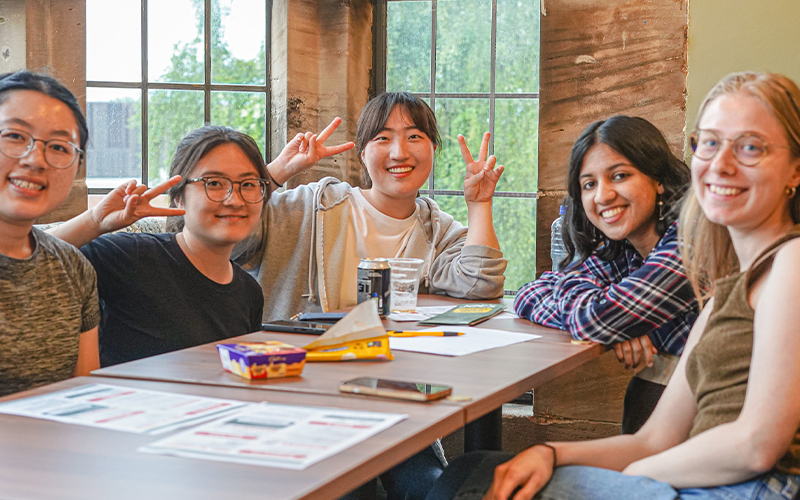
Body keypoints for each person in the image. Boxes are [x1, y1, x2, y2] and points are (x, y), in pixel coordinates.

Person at [427, 71, 800, 500]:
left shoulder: (789, 260)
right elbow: (652, 438)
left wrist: (636, 477)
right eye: (710, 144)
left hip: (754, 488)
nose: (721, 164)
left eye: (750, 147)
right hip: (706, 469)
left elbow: (756, 447)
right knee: (474, 468)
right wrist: (549, 452)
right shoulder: (727, 287)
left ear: (795, 169)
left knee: (469, 482)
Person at [50, 121, 353, 367]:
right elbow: (24, 258)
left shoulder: (248, 292)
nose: (233, 199)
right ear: (179, 196)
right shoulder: (133, 256)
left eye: (248, 185)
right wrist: (95, 221)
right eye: (213, 183)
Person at [236, 91, 507, 322]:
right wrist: (274, 174)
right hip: (295, 371)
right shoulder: (308, 207)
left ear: (433, 150)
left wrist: (479, 203)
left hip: (391, 374)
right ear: (363, 155)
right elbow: (228, 242)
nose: (399, 153)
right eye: (383, 138)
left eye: (414, 137)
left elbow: (480, 286)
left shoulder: (440, 234)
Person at [513, 115, 698, 433]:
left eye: (620, 176)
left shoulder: (690, 241)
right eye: (589, 184)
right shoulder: (622, 250)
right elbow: (527, 294)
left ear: (659, 180)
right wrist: (621, 324)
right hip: (673, 421)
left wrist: (609, 320)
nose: (602, 195)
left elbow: (592, 321)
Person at [0, 71, 99, 396]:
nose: (35, 160)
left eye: (58, 146)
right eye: (15, 136)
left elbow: (81, 398)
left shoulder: (73, 268)